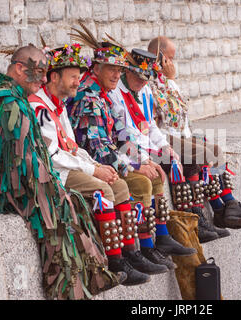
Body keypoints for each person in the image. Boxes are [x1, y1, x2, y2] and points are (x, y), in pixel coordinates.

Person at [0, 44, 125, 300]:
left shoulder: (9, 96)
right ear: (20, 69)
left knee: (70, 207)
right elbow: (22, 164)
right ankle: (68, 287)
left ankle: (97, 272)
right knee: (62, 215)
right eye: (40, 72)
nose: (44, 79)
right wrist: (52, 192)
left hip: (16, 185)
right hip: (10, 191)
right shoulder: (10, 103)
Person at [28, 40, 164, 286]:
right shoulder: (41, 108)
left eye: (79, 76)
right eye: (72, 77)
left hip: (74, 164)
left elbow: (75, 146)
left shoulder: (57, 104)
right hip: (56, 173)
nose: (77, 82)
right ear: (54, 77)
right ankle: (114, 261)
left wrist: (100, 166)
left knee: (121, 187)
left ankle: (130, 253)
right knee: (107, 189)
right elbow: (53, 156)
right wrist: (97, 168)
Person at [67, 25, 194, 270]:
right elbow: (98, 148)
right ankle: (130, 253)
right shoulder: (89, 97)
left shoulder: (104, 93)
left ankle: (156, 241)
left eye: (119, 70)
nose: (116, 75)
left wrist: (142, 160)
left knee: (154, 174)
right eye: (111, 70)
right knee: (139, 182)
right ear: (96, 69)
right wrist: (132, 165)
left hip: (107, 158)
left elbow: (122, 133)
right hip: (92, 162)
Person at [146, 36, 241, 239]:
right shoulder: (148, 81)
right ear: (161, 58)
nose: (172, 64)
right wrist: (171, 81)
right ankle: (200, 215)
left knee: (216, 151)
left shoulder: (163, 81)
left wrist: (170, 81)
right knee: (198, 155)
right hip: (160, 138)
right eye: (170, 59)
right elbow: (172, 116)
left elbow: (183, 115)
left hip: (177, 135)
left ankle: (227, 205)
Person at [104, 46, 197, 259]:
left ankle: (169, 232)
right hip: (127, 150)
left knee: (181, 160)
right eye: (139, 78)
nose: (144, 82)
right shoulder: (116, 93)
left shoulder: (144, 90)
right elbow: (124, 134)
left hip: (144, 145)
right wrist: (144, 160)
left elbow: (149, 125)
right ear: (127, 72)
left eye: (147, 78)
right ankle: (146, 245)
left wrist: (166, 148)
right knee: (160, 172)